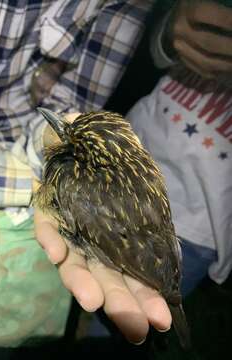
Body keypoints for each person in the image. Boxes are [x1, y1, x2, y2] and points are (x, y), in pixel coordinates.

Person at [0, 0, 172, 355]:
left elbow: (67, 101)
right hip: (1, 178)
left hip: (12, 191)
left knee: (4, 328)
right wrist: (28, 180)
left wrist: (45, 146)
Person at [127, 0, 232, 297]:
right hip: (128, 181)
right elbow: (149, 46)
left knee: (137, 314)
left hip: (196, 226)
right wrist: (170, 24)